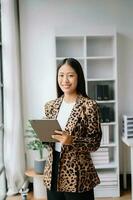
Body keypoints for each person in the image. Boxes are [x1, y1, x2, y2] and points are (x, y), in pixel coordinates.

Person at [43, 58, 102, 200]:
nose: (65, 80)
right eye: (61, 75)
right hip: (53, 170)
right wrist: (44, 136)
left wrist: (72, 140)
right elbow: (49, 143)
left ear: (78, 77)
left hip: (78, 172)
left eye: (70, 75)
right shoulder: (50, 106)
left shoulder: (89, 106)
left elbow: (95, 142)